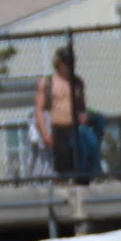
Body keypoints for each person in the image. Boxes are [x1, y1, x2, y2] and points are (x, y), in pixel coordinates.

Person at [35, 48, 87, 184]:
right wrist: (45, 133)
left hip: (75, 128)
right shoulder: (48, 82)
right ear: (58, 63)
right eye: (65, 62)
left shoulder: (77, 83)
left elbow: (82, 106)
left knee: (80, 166)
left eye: (71, 62)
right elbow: (39, 109)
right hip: (58, 128)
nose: (68, 66)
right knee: (61, 169)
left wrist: (83, 116)